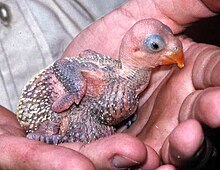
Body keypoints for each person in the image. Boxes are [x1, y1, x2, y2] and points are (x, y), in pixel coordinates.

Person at [0, 0, 220, 169]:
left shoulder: (124, 82)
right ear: (135, 51)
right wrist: (76, 88)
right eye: (155, 46)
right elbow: (64, 66)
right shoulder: (107, 81)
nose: (174, 48)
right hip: (56, 114)